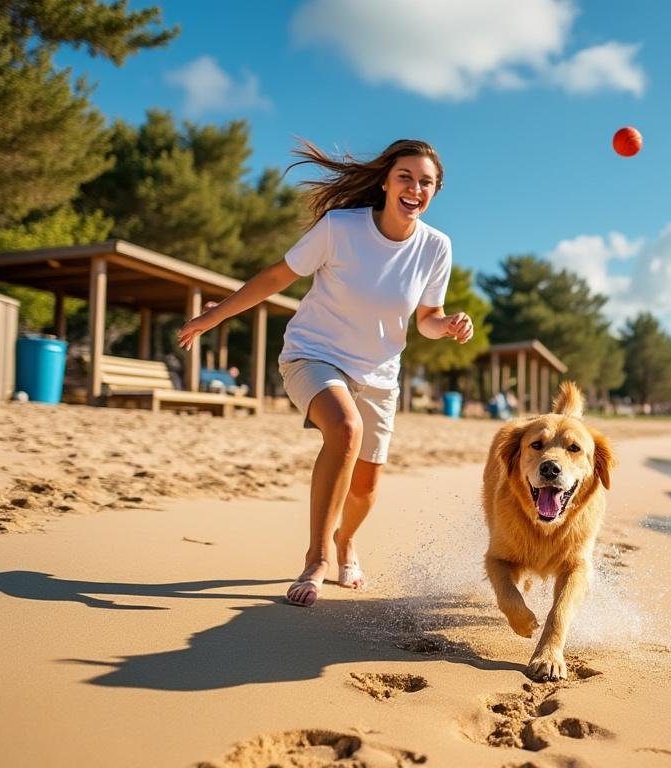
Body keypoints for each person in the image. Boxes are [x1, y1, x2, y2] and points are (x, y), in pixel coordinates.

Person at [178, 138, 473, 607]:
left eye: (426, 182)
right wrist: (216, 316)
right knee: (345, 428)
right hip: (312, 353)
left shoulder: (436, 247)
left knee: (367, 486)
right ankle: (316, 558)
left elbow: (426, 319)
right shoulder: (340, 228)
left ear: (435, 192)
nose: (415, 188)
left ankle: (345, 541)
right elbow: (277, 275)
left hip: (379, 374)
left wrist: (450, 325)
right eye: (405, 177)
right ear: (385, 181)